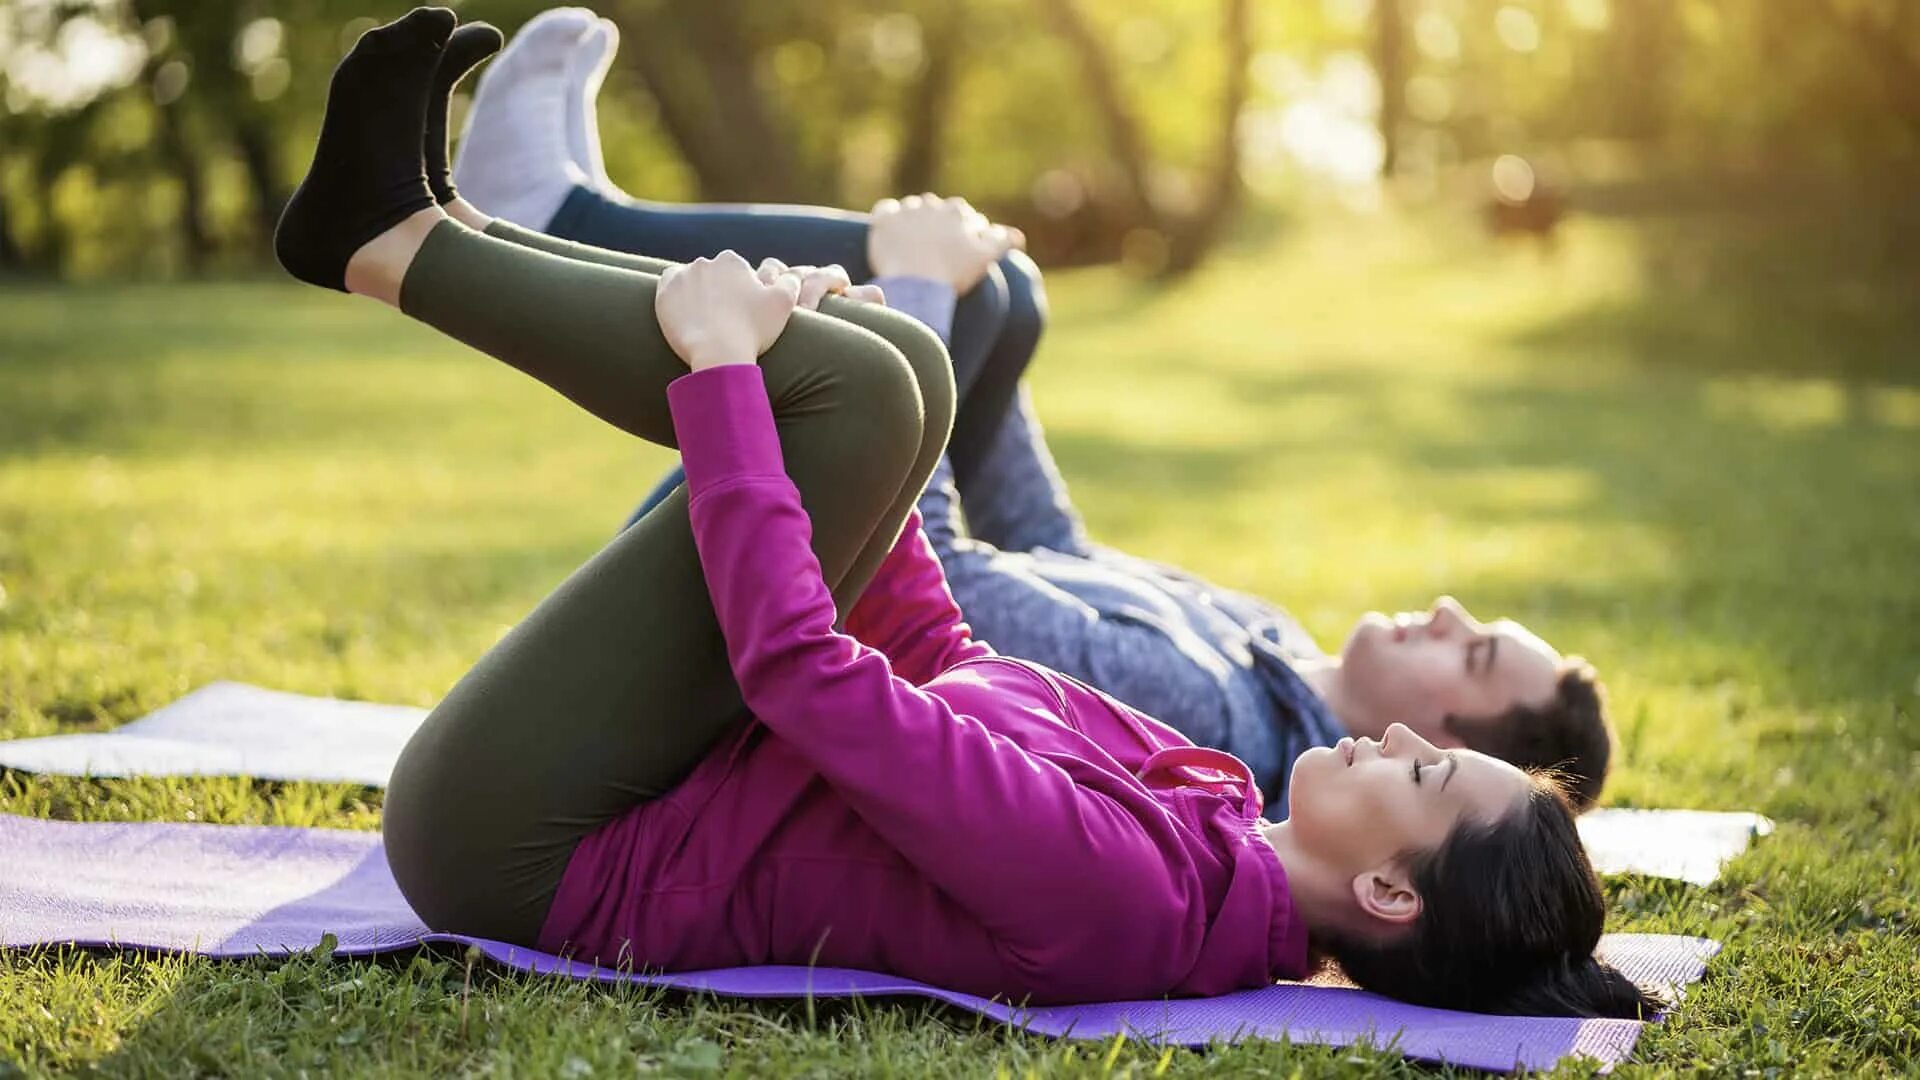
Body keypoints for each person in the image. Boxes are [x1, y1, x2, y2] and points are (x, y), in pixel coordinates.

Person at [277, 7, 1656, 1017]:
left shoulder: (1130, 895)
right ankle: (436, 223)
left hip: (530, 845)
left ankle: (393, 239)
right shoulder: (1217, 804)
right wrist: (853, 398)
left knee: (856, 401)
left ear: (1392, 899)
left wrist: (728, 394)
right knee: (905, 371)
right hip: (650, 780)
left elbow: (807, 679)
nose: (1400, 735)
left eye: (1423, 771)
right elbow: (944, 661)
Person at [448, 9, 1616, 815]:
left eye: (1471, 651)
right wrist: (975, 303)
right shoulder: (1267, 646)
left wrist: (914, 299)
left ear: (1450, 747)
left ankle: (552, 217)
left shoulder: (1221, 717)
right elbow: (1052, 548)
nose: (1450, 608)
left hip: (762, 602)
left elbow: (937, 581)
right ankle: (562, 213)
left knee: (937, 317)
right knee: (1007, 291)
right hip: (813, 556)